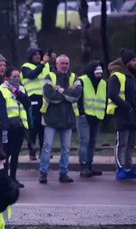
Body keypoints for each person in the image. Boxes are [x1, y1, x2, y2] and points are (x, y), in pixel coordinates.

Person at [38, 55, 82, 184]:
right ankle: (43, 173)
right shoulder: (49, 77)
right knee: (47, 147)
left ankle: (64, 174)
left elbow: (77, 95)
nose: (64, 66)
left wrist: (60, 90)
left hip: (67, 119)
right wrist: (67, 92)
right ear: (56, 64)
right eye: (62, 63)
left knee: (66, 149)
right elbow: (49, 96)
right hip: (51, 118)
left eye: (67, 63)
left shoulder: (75, 77)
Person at [108, 49, 136, 180]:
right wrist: (127, 106)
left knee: (131, 144)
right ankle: (120, 169)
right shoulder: (117, 75)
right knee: (121, 143)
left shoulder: (134, 76)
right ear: (127, 62)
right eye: (133, 60)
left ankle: (128, 168)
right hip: (122, 114)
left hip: (134, 115)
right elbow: (112, 94)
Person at [0, 68, 31, 188]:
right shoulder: (1, 90)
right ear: (7, 78)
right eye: (14, 77)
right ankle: (5, 179)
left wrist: (16, 92)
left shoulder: (21, 89)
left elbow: (27, 103)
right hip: (8, 128)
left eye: (18, 76)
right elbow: (1, 111)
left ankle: (13, 178)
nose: (17, 79)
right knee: (6, 155)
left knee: (16, 154)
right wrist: (5, 127)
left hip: (20, 127)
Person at [76, 60, 107, 178]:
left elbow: (104, 98)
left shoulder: (103, 83)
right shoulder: (82, 80)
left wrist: (103, 113)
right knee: (84, 141)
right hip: (84, 116)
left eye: (100, 73)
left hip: (97, 116)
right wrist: (81, 112)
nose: (99, 75)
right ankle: (83, 166)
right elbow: (77, 97)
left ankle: (89, 165)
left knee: (92, 142)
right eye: (97, 73)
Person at [21, 47, 50, 161]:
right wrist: (43, 64)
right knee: (33, 127)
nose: (38, 56)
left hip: (45, 99)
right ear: (30, 56)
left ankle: (44, 151)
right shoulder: (26, 67)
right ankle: (32, 150)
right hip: (32, 100)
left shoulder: (46, 66)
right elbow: (32, 75)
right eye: (35, 54)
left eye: (39, 54)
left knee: (44, 127)